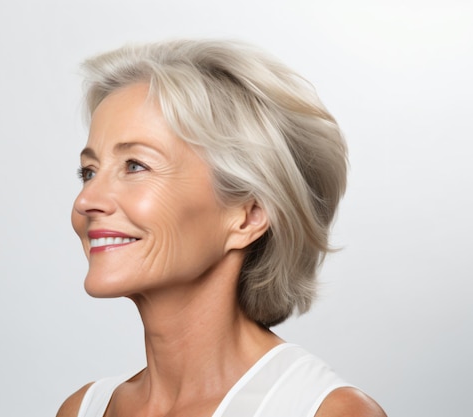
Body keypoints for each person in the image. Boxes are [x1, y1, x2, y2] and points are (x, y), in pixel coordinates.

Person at [58, 39, 386, 417]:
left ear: (248, 215)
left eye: (135, 166)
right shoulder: (83, 409)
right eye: (89, 172)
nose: (85, 201)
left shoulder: (324, 411)